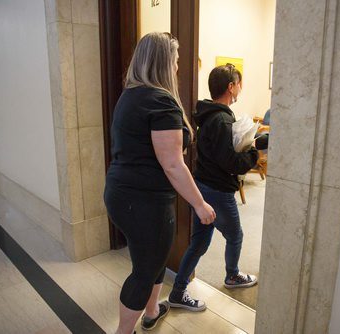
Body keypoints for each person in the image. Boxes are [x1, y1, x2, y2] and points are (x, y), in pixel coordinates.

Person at [103, 32, 216, 334]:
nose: (178, 66)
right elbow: (172, 164)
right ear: (166, 63)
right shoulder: (160, 100)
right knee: (144, 271)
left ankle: (151, 311)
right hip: (144, 201)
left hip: (123, 194)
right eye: (177, 61)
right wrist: (199, 203)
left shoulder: (131, 95)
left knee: (152, 259)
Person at [168, 64, 268, 311]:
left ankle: (178, 290)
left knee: (199, 243)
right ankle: (232, 276)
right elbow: (231, 163)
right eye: (238, 84)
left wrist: (252, 143)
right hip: (218, 192)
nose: (240, 89)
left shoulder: (209, 115)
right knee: (235, 235)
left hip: (202, 187)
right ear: (231, 87)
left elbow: (220, 152)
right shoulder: (222, 119)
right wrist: (254, 154)